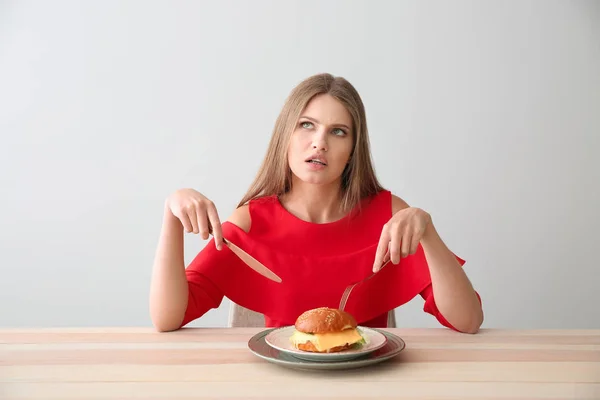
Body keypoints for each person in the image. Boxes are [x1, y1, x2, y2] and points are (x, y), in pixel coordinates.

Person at [149, 73, 483, 334]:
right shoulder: (251, 219)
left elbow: (468, 320)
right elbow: (167, 318)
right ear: (286, 136)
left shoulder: (390, 214)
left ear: (352, 150)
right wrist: (171, 214)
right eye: (306, 125)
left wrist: (427, 228)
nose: (319, 143)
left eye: (338, 132)